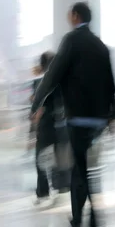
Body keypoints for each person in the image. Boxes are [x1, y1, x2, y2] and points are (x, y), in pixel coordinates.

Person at [33, 2, 115, 227]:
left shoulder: (71, 40)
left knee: (81, 171)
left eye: (70, 15)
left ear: (75, 16)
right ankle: (78, 219)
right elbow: (112, 83)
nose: (68, 18)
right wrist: (113, 114)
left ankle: (92, 224)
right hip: (98, 118)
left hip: (78, 116)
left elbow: (53, 74)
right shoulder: (101, 46)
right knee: (81, 170)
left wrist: (37, 100)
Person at [30, 52, 71, 206]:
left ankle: (43, 192)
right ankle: (61, 189)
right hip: (62, 125)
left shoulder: (41, 81)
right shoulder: (63, 79)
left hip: (46, 125)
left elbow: (37, 106)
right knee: (59, 159)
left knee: (40, 159)